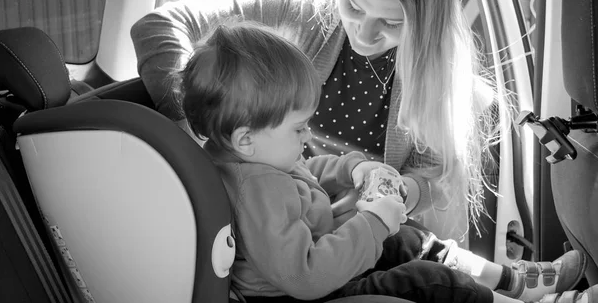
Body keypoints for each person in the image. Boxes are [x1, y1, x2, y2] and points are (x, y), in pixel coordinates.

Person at [174, 21, 592, 303]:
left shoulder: (254, 157)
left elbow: (305, 172)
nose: (307, 136)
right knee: (430, 280)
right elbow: (305, 276)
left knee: (408, 239)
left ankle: (513, 283)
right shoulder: (257, 191)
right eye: (299, 128)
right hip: (303, 292)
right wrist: (372, 220)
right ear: (246, 139)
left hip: (320, 261)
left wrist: (353, 168)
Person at [130, 0, 498, 236]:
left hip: (369, 230)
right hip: (279, 218)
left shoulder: (439, 66)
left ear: (425, 24)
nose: (365, 35)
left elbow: (434, 172)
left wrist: (399, 193)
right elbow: (158, 24)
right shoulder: (304, 7)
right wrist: (191, 128)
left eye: (391, 22)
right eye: (353, 6)